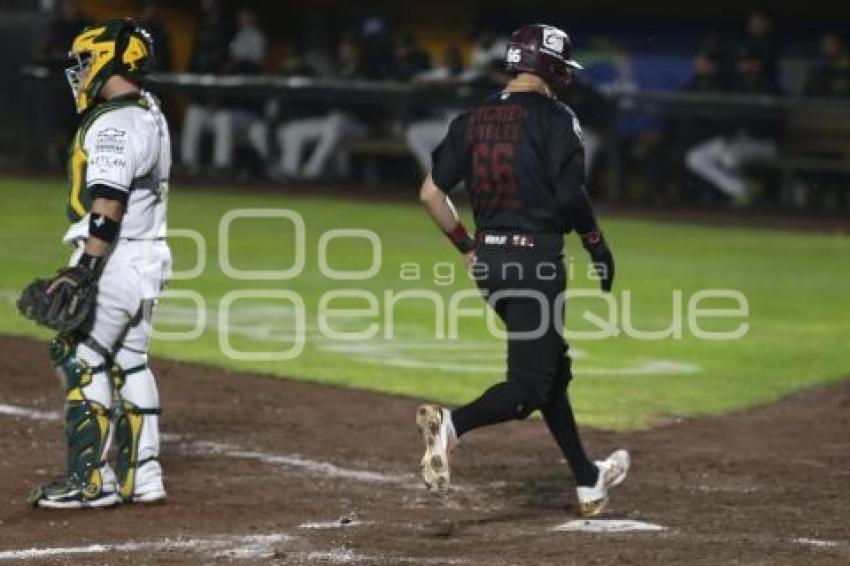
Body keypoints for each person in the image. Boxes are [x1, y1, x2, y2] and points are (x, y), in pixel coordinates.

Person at [415, 23, 629, 517]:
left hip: (490, 265)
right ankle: (452, 425)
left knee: (552, 371)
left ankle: (588, 480)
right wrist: (596, 245)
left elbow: (431, 193)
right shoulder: (558, 118)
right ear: (551, 68)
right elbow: (570, 195)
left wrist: (466, 246)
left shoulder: (470, 119)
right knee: (529, 385)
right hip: (535, 264)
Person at [18, 19, 171, 509]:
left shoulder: (113, 122)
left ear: (108, 59)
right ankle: (143, 475)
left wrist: (84, 267)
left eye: (85, 60)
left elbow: (108, 201)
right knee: (130, 360)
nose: (79, 71)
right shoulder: (150, 111)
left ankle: (92, 482)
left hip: (117, 257)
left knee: (78, 357)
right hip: (148, 256)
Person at [685, 46, 781, 203]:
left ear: (759, 65)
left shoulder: (770, 87)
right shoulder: (736, 87)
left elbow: (774, 125)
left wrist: (744, 123)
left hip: (764, 142)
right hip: (737, 140)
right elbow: (728, 118)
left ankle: (743, 193)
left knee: (730, 158)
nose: (746, 66)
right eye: (742, 62)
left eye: (750, 62)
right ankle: (741, 189)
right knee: (694, 157)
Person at [272, 36, 368, 181]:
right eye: (342, 50)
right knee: (294, 130)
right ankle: (289, 170)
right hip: (335, 121)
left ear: (357, 51)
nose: (343, 53)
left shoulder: (366, 71)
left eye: (347, 50)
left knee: (337, 122)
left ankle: (312, 170)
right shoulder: (338, 72)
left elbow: (371, 105)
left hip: (359, 124)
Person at [179, 0, 229, 173]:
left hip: (222, 102)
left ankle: (221, 167)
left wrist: (218, 99)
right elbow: (194, 62)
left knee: (224, 120)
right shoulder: (201, 24)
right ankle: (189, 163)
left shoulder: (226, 26)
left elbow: (227, 66)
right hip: (202, 97)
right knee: (193, 115)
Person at [804, 32, 850, 97]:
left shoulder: (847, 64)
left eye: (831, 45)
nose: (828, 49)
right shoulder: (818, 68)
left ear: (839, 45)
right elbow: (809, 90)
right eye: (825, 45)